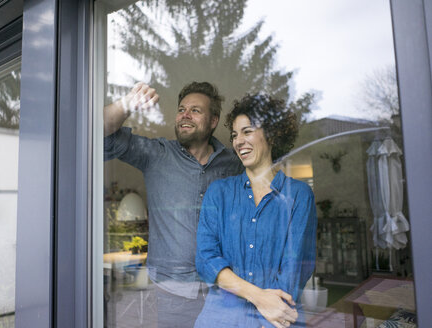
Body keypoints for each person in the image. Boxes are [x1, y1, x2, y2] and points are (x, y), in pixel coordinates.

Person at [104, 81, 243, 327]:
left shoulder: (234, 163)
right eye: (181, 109)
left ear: (213, 121)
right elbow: (98, 131)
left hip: (225, 290)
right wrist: (128, 103)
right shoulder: (156, 154)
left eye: (195, 110)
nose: (185, 115)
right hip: (173, 293)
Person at [195, 94, 317, 328]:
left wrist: (267, 319)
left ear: (271, 134)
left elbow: (294, 271)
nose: (238, 141)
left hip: (276, 321)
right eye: (234, 135)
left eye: (247, 131)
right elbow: (205, 260)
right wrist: (259, 297)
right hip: (219, 320)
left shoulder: (298, 196)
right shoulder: (219, 192)